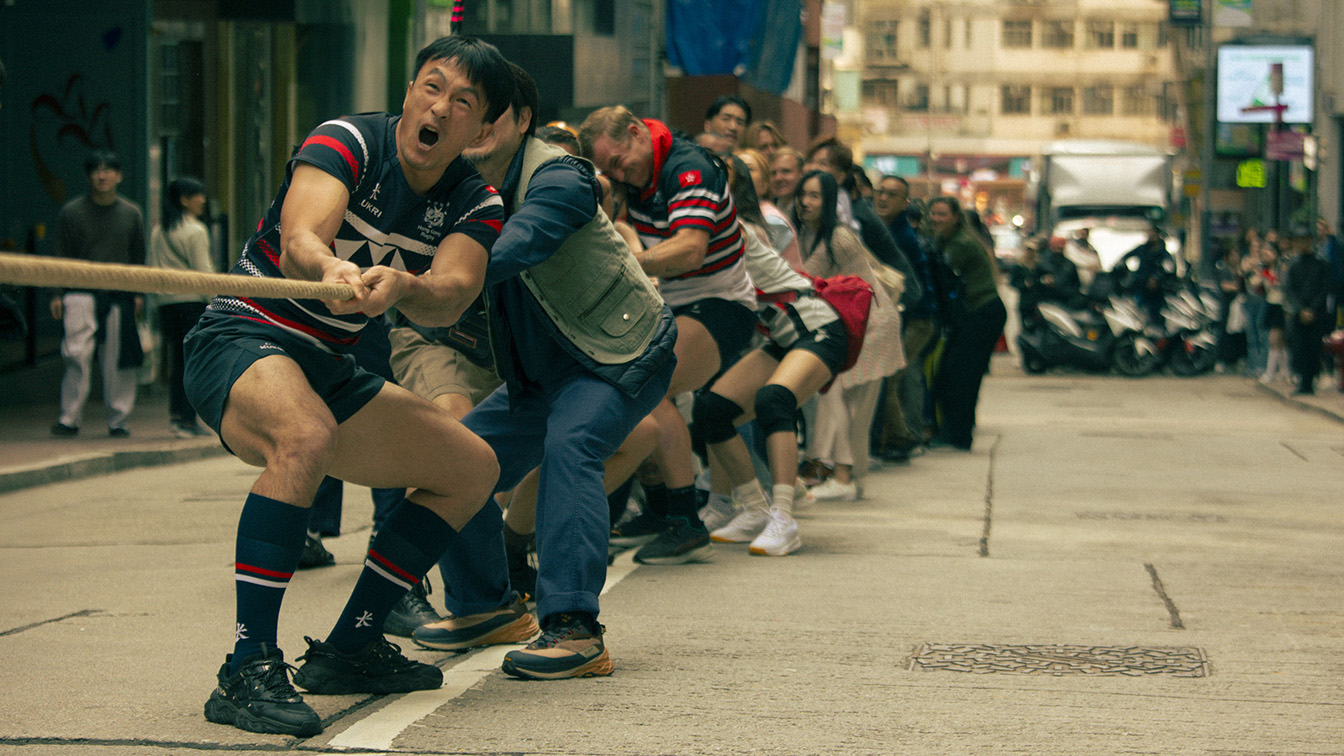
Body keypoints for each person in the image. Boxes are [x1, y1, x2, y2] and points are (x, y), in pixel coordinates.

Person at [185, 36, 514, 737]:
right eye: (431, 86)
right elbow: (304, 233)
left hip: (329, 367)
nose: (439, 108)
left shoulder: (475, 200)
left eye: (462, 103)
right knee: (305, 435)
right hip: (244, 334)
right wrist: (329, 270)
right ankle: (247, 667)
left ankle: (353, 644)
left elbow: (453, 293)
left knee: (471, 466)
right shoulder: (348, 142)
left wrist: (407, 286)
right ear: (408, 92)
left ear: (481, 131)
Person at [391, 65, 676, 681]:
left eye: (493, 113)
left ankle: (575, 630)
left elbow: (519, 242)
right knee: (456, 457)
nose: (476, 124)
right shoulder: (455, 187)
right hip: (540, 374)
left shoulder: (562, 173)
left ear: (523, 122)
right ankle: (487, 607)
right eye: (468, 110)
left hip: (616, 354)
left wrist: (434, 281)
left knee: (571, 444)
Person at [580, 104, 758, 565]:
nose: (619, 173)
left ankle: (684, 520)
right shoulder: (634, 175)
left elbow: (690, 250)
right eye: (608, 168)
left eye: (620, 161)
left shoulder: (688, 167)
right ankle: (661, 508)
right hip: (675, 304)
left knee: (647, 384)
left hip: (723, 305)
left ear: (638, 133)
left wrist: (622, 266)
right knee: (628, 387)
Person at [698, 174, 869, 556]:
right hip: (782, 336)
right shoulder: (683, 229)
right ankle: (753, 508)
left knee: (774, 399)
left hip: (819, 327)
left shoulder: (730, 229)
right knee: (712, 410)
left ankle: (784, 517)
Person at [792, 171, 902, 502]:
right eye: (803, 195)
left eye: (815, 196)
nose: (805, 202)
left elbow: (811, 280)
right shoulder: (813, 234)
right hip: (858, 322)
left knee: (837, 397)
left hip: (871, 325)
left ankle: (843, 477)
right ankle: (841, 474)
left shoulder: (837, 238)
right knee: (838, 399)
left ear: (829, 203)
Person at [49, 150, 146, 438]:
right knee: (76, 356)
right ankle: (69, 418)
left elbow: (138, 257)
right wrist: (56, 293)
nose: (102, 176)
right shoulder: (71, 211)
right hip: (79, 292)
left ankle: (119, 420)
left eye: (108, 170)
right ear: (89, 176)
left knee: (118, 361)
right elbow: (59, 255)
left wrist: (138, 293)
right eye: (96, 170)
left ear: (119, 176)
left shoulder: (131, 213)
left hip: (119, 294)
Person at [926, 197, 1006, 451]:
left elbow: (942, 275)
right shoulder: (947, 240)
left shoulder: (961, 244)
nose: (937, 219)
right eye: (934, 214)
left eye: (942, 215)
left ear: (956, 217)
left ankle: (959, 436)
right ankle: (956, 432)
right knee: (953, 373)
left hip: (983, 314)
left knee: (963, 377)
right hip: (973, 315)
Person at [872, 174, 939, 460]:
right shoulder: (880, 229)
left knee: (900, 373)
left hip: (917, 318)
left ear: (905, 202)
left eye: (892, 195)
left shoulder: (903, 237)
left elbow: (914, 288)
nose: (883, 198)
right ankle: (901, 435)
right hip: (899, 314)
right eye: (880, 192)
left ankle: (907, 435)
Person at [148, 177, 214, 438]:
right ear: (183, 200)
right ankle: (188, 420)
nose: (202, 200)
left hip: (166, 303)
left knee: (177, 361)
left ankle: (176, 417)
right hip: (191, 302)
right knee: (193, 362)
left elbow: (152, 267)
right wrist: (216, 302)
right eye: (197, 195)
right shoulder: (196, 230)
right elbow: (204, 271)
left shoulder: (159, 230)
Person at [1281, 228, 1331, 395]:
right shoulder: (1293, 265)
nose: (1301, 243)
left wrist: (1312, 309)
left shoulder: (1321, 263)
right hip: (1299, 314)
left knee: (1313, 347)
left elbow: (1325, 288)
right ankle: (1303, 381)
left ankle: (1309, 382)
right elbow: (1290, 289)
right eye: (1299, 240)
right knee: (1299, 347)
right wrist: (1300, 309)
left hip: (1316, 314)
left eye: (1305, 239)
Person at [769, 147, 805, 217]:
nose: (778, 178)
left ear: (802, 174)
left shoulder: (807, 210)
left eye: (786, 171)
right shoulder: (765, 210)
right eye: (773, 173)